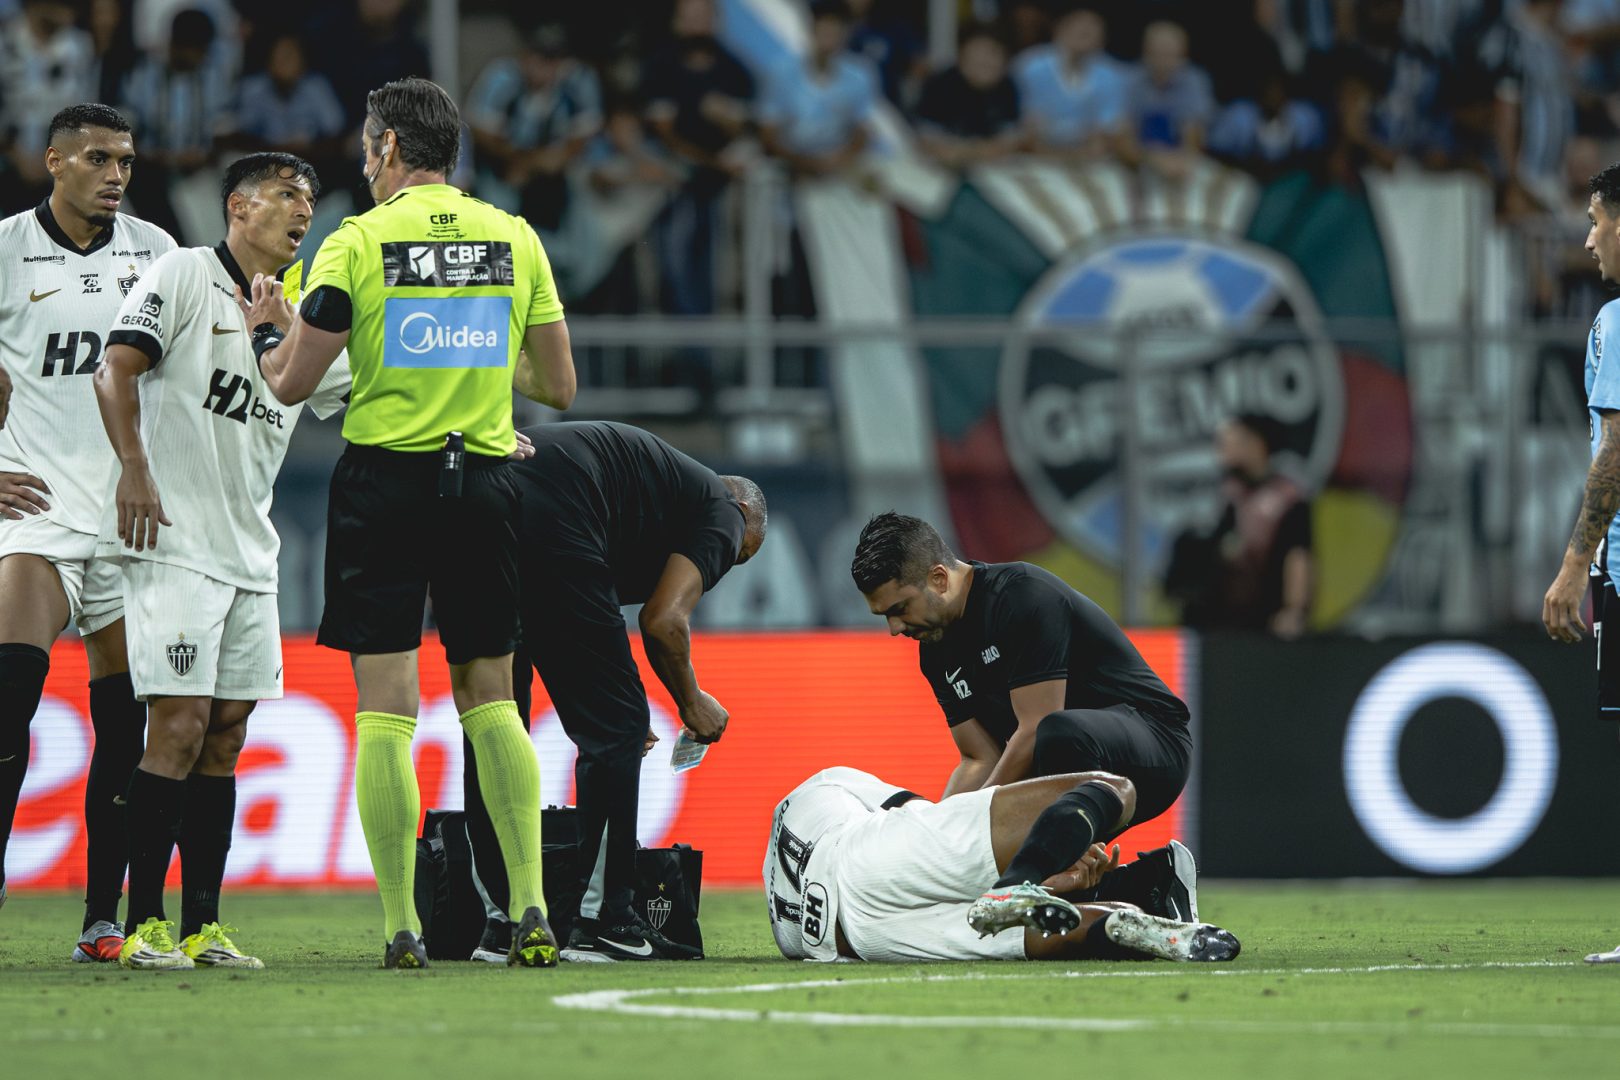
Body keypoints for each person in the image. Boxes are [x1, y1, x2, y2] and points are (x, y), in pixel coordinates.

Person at [246, 76, 578, 970]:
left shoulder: (355, 244)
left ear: (389, 148)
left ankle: (402, 924)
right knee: (492, 699)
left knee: (388, 711)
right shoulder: (514, 238)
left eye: (367, 141)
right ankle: (533, 909)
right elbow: (556, 386)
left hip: (385, 487)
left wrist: (270, 330)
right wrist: (468, 356)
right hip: (483, 482)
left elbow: (289, 384)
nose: (364, 155)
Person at [93, 152, 352, 971]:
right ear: (238, 205)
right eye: (283, 194)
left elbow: (358, 405)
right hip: (174, 541)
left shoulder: (306, 316)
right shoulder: (182, 273)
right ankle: (144, 925)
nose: (301, 209)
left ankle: (203, 925)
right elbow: (115, 369)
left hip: (251, 553)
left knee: (228, 735)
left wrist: (477, 424)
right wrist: (134, 470)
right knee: (177, 724)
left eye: (309, 198)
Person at [463, 420, 766, 963]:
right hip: (559, 512)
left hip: (482, 500)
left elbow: (584, 627)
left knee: (495, 718)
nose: (723, 565)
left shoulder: (655, 502)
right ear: (743, 521)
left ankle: (502, 921)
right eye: (738, 556)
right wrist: (690, 702)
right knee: (614, 732)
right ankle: (604, 921)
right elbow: (663, 621)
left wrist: (617, 704)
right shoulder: (723, 512)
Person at [0, 104, 175, 960]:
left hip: (127, 522)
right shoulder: (4, 248)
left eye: (127, 162)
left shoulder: (156, 254)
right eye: (99, 159)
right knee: (8, 704)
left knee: (123, 728)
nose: (117, 175)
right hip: (35, 514)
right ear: (54, 163)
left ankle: (101, 918)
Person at [850, 513, 1194, 871]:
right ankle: (1149, 882)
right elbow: (979, 758)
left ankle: (1054, 870)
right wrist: (935, 833)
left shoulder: (1022, 595)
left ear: (938, 579)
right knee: (988, 849)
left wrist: (970, 823)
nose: (893, 628)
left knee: (1056, 736)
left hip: (1156, 745)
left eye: (899, 609)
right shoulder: (934, 651)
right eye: (884, 616)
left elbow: (1035, 727)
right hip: (1066, 757)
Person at [765, 766, 1234, 963]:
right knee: (1112, 787)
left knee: (1016, 934)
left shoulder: (814, 802)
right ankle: (1028, 887)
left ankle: (1117, 923)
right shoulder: (834, 782)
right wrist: (1051, 849)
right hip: (859, 867)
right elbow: (930, 817)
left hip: (842, 939)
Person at [1542, 161, 1620, 966]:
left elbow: (1615, 452)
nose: (1590, 237)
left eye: (1599, 218)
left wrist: (1576, 562)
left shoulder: (1618, 321)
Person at [1166, 413, 1314, 637]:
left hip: (1263, 623)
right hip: (1212, 622)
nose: (1222, 451)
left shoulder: (1286, 497)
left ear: (1255, 443)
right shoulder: (1220, 492)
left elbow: (1298, 557)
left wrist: (1293, 610)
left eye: (1230, 442)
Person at [1012, 1, 1130, 160]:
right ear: (1060, 28)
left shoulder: (1113, 75)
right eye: (1079, 24)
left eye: (1093, 26)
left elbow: (1110, 130)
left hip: (1089, 159)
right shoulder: (1028, 66)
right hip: (1037, 156)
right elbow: (1026, 128)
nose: (1085, 29)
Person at [913, 23, 1025, 169]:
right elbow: (928, 142)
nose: (986, 61)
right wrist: (979, 151)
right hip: (942, 167)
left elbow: (1010, 141)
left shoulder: (1008, 87)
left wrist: (972, 152)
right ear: (961, 56)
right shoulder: (939, 84)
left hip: (993, 167)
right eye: (978, 53)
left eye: (993, 53)